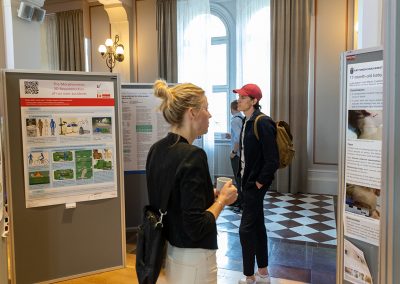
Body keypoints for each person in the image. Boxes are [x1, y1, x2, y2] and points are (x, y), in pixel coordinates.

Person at [146, 79, 238, 284]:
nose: (210, 114)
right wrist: (222, 200)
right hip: (195, 257)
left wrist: (208, 194)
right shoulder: (193, 155)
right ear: (192, 113)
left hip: (170, 249)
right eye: (206, 108)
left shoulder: (157, 149)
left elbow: (172, 200)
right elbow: (196, 226)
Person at [234, 83, 279, 284]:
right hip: (247, 183)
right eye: (239, 97)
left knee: (245, 230)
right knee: (258, 227)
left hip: (255, 185)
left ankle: (249, 276)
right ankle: (263, 273)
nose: (239, 101)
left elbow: (272, 159)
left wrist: (259, 183)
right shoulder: (246, 121)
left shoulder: (263, 122)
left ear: (254, 101)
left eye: (243, 98)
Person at [229, 100, 244, 213]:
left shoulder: (234, 120)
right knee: (241, 179)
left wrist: (233, 152)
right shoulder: (243, 119)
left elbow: (238, 138)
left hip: (237, 155)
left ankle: (241, 204)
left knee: (238, 179)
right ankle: (240, 201)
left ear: (232, 109)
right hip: (243, 154)